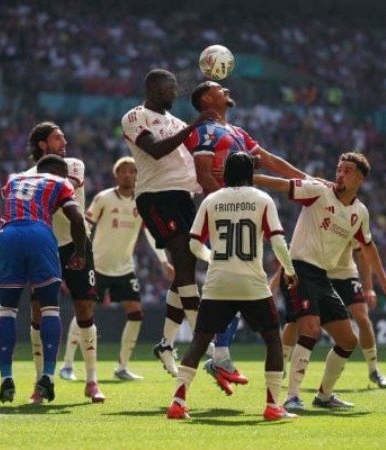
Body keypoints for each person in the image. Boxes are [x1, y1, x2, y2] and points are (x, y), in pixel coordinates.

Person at [254, 152, 386, 410]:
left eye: (347, 170)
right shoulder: (318, 191)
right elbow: (283, 184)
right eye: (339, 169)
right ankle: (291, 397)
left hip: (324, 277)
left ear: (360, 178)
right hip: (299, 269)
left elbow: (368, 248)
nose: (340, 174)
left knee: (348, 340)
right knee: (308, 329)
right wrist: (247, 177)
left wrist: (385, 282)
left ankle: (323, 396)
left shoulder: (359, 212)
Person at [183, 80, 308, 393]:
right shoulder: (205, 131)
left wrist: (307, 180)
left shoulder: (238, 133)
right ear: (206, 99)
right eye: (218, 88)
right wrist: (230, 204)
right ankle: (220, 356)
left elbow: (270, 160)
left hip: (237, 212)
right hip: (225, 219)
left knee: (236, 294)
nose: (226, 89)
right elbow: (203, 175)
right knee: (234, 287)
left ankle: (220, 357)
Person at [166, 152, 299, 421]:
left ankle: (178, 401)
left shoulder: (212, 200)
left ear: (225, 174)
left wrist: (211, 257)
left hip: (218, 283)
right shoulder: (262, 200)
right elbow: (277, 242)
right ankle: (273, 406)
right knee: (273, 339)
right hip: (252, 283)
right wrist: (290, 270)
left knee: (200, 341)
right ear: (250, 175)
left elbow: (193, 244)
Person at [120, 69, 215, 377]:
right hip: (157, 197)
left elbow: (191, 160)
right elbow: (157, 150)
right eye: (169, 87)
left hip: (184, 198)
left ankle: (166, 344)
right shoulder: (135, 117)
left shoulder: (176, 123)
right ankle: (208, 346)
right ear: (153, 87)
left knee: (187, 268)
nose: (175, 92)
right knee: (186, 265)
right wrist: (196, 124)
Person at [58, 156, 175, 381]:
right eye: (124, 171)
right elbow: (86, 227)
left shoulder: (141, 203)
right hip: (99, 266)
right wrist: (81, 256)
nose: (128, 174)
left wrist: (162, 260)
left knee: (136, 312)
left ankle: (122, 367)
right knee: (84, 311)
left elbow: (150, 233)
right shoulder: (104, 198)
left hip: (123, 268)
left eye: (132, 171)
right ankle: (68, 365)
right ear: (116, 174)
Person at [24, 122, 105, 404]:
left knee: (84, 306)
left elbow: (60, 192)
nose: (65, 140)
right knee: (38, 312)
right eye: (58, 137)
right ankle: (40, 381)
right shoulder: (26, 176)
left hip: (76, 244)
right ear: (43, 144)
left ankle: (92, 380)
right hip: (45, 247)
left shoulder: (73, 165)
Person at [0, 154, 86, 404]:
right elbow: (76, 219)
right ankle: (47, 375)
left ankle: (6, 377)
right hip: (40, 233)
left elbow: (9, 202)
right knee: (49, 309)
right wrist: (79, 252)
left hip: (9, 233)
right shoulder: (60, 182)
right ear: (58, 170)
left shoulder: (13, 179)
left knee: (7, 311)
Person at [278, 243, 386, 405]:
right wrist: (277, 280)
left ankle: (373, 371)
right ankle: (287, 378)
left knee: (359, 323)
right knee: (297, 322)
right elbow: (292, 249)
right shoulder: (314, 220)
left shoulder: (354, 219)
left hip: (345, 276)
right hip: (315, 273)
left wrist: (369, 288)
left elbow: (364, 250)